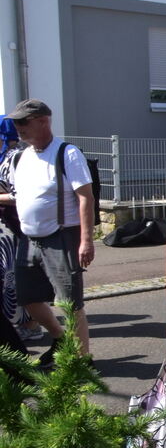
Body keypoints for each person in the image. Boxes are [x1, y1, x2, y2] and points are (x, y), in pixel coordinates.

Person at [5, 99, 94, 360]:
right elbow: (21, 195)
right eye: (16, 122)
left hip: (61, 236)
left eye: (23, 122)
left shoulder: (67, 153)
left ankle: (81, 361)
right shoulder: (21, 156)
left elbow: (86, 197)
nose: (18, 127)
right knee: (27, 297)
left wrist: (86, 240)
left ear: (44, 121)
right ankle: (59, 337)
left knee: (70, 303)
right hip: (28, 238)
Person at [0, 117, 34, 345]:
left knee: (15, 280)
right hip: (6, 229)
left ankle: (30, 326)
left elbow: (21, 195)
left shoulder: (17, 158)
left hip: (15, 228)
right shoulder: (5, 157)